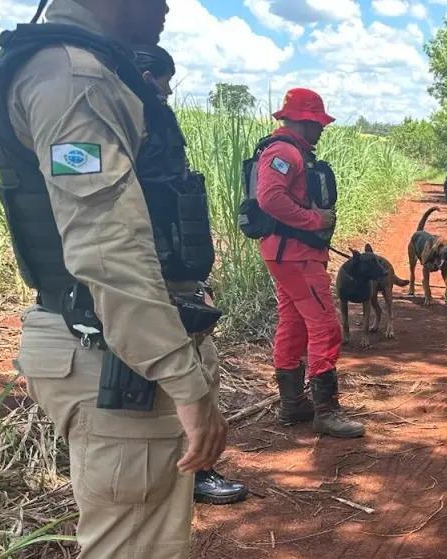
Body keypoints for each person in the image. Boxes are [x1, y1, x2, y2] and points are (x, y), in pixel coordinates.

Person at [0, 0, 227, 556]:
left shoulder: (82, 69)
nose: (165, 6)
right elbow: (107, 247)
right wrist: (183, 381)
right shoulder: (76, 79)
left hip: (116, 348)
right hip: (116, 356)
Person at [131, 42, 248, 506]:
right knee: (190, 375)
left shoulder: (147, 129)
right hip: (156, 282)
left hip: (174, 277)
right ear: (147, 79)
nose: (166, 95)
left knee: (199, 368)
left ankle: (190, 471)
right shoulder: (133, 127)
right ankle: (194, 473)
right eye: (164, 86)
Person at [253, 88, 364, 438]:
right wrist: (313, 220)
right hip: (296, 255)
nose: (322, 129)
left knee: (294, 324)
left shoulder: (287, 150)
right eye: (318, 123)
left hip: (287, 254)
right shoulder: (284, 152)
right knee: (325, 327)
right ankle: (326, 412)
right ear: (304, 121)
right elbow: (269, 197)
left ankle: (292, 405)